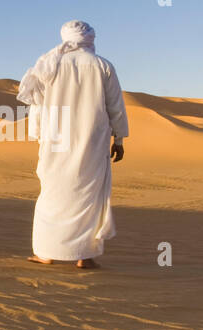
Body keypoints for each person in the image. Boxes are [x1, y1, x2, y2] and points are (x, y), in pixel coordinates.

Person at [16, 20, 128, 269]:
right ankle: (84, 256)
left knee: (53, 192)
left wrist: (37, 134)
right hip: (92, 139)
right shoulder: (102, 66)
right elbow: (115, 107)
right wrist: (118, 138)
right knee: (87, 194)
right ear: (90, 38)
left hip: (55, 138)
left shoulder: (49, 64)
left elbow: (37, 104)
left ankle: (46, 252)